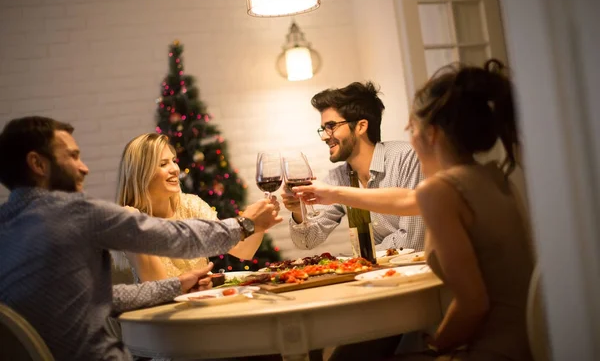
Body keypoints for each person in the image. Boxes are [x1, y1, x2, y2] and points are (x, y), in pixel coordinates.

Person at [296, 60, 534, 361]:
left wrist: (435, 346)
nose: (409, 139)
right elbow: (404, 200)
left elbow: (474, 304)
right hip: (529, 338)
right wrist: (330, 193)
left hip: (490, 349)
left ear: (431, 134)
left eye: (412, 128)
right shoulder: (491, 175)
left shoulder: (441, 191)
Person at [0, 116, 282, 361]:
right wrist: (244, 224)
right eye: (72, 156)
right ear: (37, 163)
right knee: (263, 350)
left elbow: (94, 296)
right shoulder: (78, 213)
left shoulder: (6, 225)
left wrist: (176, 285)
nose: (84, 167)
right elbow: (177, 238)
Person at [282, 81, 426, 252]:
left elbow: (413, 241)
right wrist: (299, 211)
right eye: (323, 129)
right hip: (379, 275)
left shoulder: (406, 157)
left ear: (361, 126)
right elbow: (307, 241)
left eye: (331, 126)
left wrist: (359, 257)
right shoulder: (338, 178)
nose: (324, 137)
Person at [112, 133, 268, 283]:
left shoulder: (191, 205)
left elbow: (243, 250)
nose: (175, 169)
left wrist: (258, 223)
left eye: (173, 161)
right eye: (163, 164)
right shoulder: (132, 222)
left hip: (202, 303)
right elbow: (158, 285)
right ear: (141, 174)